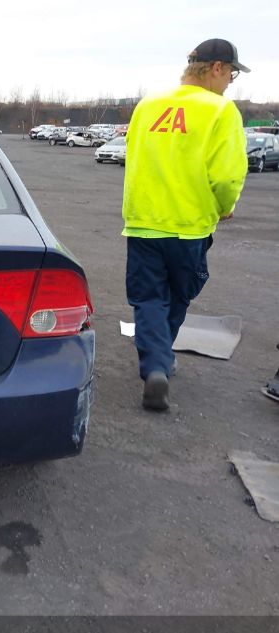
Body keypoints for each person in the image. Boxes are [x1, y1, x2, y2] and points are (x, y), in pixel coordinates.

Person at [122, 39, 249, 411]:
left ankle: (156, 365)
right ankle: (161, 362)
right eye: (232, 74)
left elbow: (133, 156)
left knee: (147, 299)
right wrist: (226, 207)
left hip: (143, 223)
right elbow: (227, 177)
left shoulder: (148, 106)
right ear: (217, 68)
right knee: (178, 295)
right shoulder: (221, 111)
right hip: (190, 227)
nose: (230, 82)